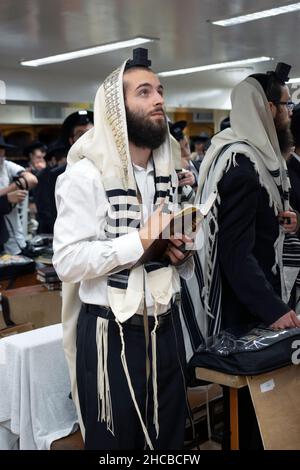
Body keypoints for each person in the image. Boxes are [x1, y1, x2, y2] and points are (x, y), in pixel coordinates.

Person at [53, 48, 194, 450]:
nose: (159, 100)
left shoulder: (165, 170)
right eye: (145, 92)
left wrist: (175, 250)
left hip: (165, 326)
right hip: (110, 334)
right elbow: (66, 261)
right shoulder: (85, 175)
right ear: (118, 107)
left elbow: (159, 247)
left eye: (160, 91)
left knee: (168, 440)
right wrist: (139, 241)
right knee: (116, 446)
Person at [192, 62, 300, 449]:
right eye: (285, 105)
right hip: (247, 311)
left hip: (261, 301)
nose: (289, 113)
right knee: (255, 418)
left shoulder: (261, 160)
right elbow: (234, 255)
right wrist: (273, 310)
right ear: (265, 108)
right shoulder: (241, 164)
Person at [0, 135, 37, 254]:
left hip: (16, 236)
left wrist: (11, 188)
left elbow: (32, 180)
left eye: (1, 150)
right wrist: (7, 198)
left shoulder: (6, 165)